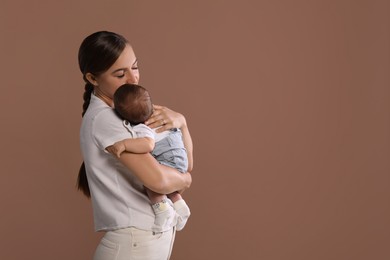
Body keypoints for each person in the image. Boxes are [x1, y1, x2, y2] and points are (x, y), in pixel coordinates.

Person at [77, 31, 193, 260]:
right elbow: (158, 180)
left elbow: (185, 163)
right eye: (120, 74)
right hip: (133, 244)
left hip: (142, 242)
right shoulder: (105, 119)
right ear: (92, 79)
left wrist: (182, 122)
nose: (133, 79)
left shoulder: (126, 113)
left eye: (135, 67)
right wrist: (186, 180)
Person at [107, 83, 192, 232]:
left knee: (150, 180)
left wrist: (125, 145)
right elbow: (189, 166)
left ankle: (163, 212)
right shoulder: (162, 115)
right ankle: (180, 205)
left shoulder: (142, 127)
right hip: (180, 158)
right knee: (165, 183)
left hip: (169, 160)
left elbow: (147, 145)